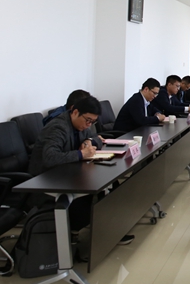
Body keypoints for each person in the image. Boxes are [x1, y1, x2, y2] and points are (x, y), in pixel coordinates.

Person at [29, 97, 135, 245]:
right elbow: (50, 158)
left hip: (69, 173)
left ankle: (110, 230)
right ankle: (87, 233)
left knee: (110, 184)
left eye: (93, 122)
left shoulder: (81, 125)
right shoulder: (58, 127)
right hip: (47, 181)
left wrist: (88, 141)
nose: (89, 125)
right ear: (75, 112)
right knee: (97, 190)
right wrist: (80, 154)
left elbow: (97, 138)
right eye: (88, 120)